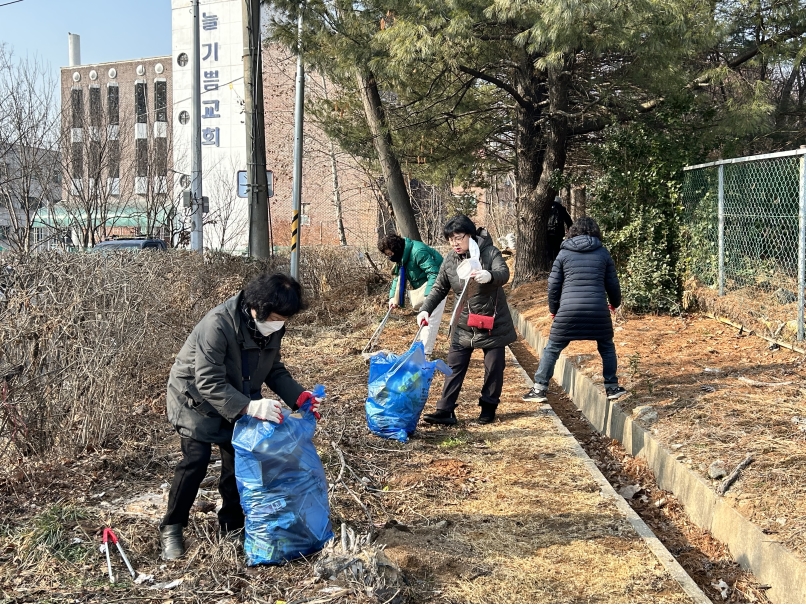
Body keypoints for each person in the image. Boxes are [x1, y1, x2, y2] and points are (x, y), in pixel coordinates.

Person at [159, 272, 322, 560]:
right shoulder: (218, 324)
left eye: (284, 319)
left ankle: (232, 524)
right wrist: (251, 407)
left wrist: (297, 396)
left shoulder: (272, 325)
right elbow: (207, 380)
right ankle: (172, 527)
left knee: (239, 460)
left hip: (239, 393)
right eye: (275, 317)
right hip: (193, 399)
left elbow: (273, 368)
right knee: (195, 462)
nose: (279, 324)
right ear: (256, 307)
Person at [416, 215, 517, 425]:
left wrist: (489, 275)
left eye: (458, 238)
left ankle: (488, 408)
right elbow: (439, 288)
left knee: (494, 367)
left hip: (492, 322)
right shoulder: (450, 260)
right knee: (454, 366)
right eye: (450, 239)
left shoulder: (489, 252)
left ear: (470, 236)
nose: (455, 243)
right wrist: (425, 310)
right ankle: (445, 410)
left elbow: (503, 272)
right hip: (463, 322)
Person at [523, 217, 628, 403]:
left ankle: (539, 389)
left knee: (553, 348)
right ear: (596, 233)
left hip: (568, 310)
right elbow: (612, 283)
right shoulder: (603, 253)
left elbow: (553, 285)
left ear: (572, 233)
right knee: (606, 346)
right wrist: (615, 303)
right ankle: (612, 387)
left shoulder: (563, 254)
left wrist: (554, 309)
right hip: (597, 309)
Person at [379, 234, 444, 357]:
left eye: (390, 254)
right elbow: (398, 277)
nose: (389, 257)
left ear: (396, 249)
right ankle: (422, 349)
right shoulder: (402, 256)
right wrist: (393, 297)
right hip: (424, 285)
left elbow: (434, 273)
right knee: (422, 318)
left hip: (438, 285)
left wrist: (429, 296)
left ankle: (424, 355)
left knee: (430, 319)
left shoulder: (418, 251)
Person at [547, 195, 573, 264]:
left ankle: (548, 263)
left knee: (548, 249)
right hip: (558, 233)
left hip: (547, 233)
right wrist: (570, 230)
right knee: (557, 250)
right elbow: (569, 221)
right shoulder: (562, 209)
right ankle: (556, 264)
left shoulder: (546, 208)